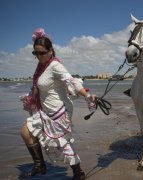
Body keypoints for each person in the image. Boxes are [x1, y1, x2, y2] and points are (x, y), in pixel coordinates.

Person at [20, 28, 96, 180]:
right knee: (25, 132)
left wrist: (87, 95)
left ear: (50, 51)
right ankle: (39, 164)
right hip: (45, 110)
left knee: (62, 144)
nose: (39, 56)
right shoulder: (41, 66)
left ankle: (78, 173)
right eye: (36, 53)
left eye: (42, 53)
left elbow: (71, 81)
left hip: (59, 110)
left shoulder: (55, 66)